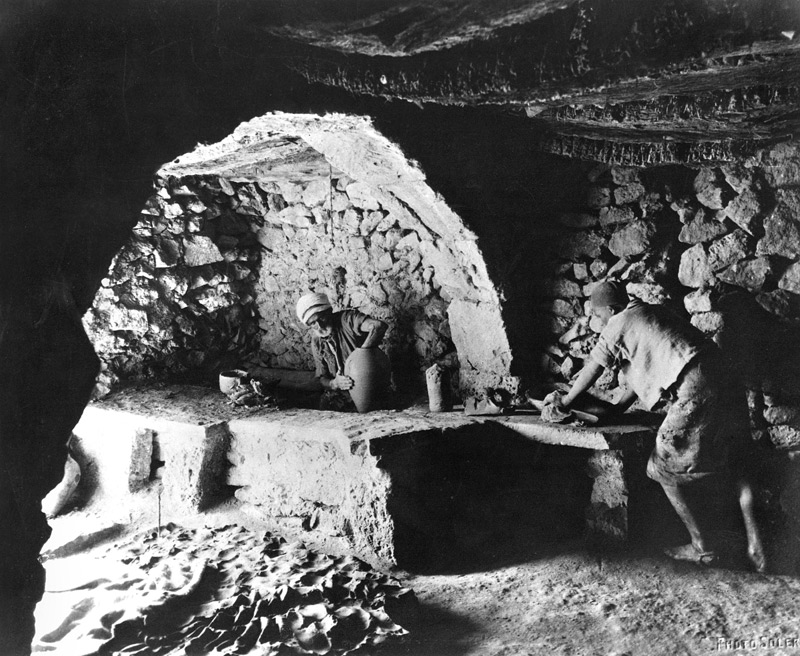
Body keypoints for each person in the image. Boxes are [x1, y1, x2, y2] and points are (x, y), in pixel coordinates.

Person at [543, 281, 765, 571]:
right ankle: (758, 548)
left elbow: (593, 367)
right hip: (724, 378)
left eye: (596, 316)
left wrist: (565, 400)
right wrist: (614, 411)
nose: (595, 323)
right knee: (737, 463)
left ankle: (704, 548)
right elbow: (644, 374)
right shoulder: (649, 315)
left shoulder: (619, 321)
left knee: (659, 469)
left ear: (611, 309)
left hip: (698, 386)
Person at [295, 292, 388, 409]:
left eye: (321, 318)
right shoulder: (317, 341)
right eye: (313, 323)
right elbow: (322, 378)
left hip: (369, 389)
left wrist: (361, 354)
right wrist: (334, 383)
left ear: (329, 311)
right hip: (341, 395)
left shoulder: (347, 319)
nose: (320, 326)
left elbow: (378, 326)